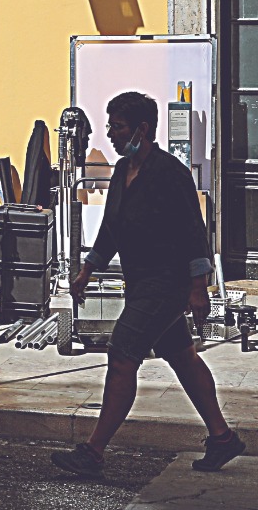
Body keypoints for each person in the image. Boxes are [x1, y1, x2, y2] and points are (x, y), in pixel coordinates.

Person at [52, 91, 244, 477]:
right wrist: (88, 269)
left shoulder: (169, 173)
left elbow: (193, 232)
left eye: (118, 127)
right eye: (110, 126)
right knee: (182, 358)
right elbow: (111, 228)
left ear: (142, 128)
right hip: (140, 282)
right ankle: (222, 438)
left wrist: (199, 287)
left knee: (123, 354)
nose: (111, 134)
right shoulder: (123, 171)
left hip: (166, 284)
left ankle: (93, 451)